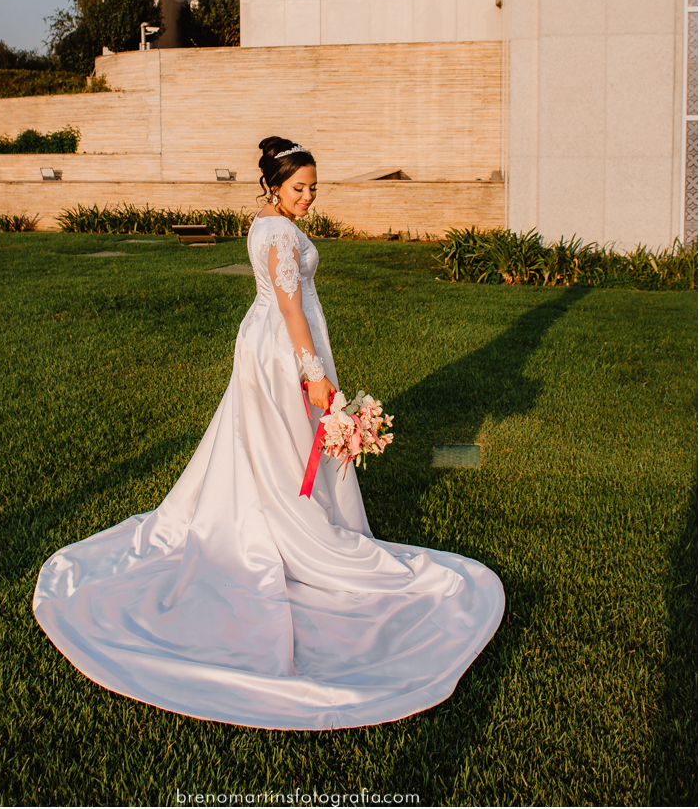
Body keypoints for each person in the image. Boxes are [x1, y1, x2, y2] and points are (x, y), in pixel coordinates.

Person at [33, 136, 504, 729]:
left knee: (263, 444)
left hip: (265, 342)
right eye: (298, 188)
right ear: (273, 187)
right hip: (283, 349)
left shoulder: (264, 223)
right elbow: (289, 308)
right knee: (281, 444)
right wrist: (313, 375)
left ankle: (279, 512)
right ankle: (287, 533)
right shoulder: (279, 233)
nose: (308, 198)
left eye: (313, 188)